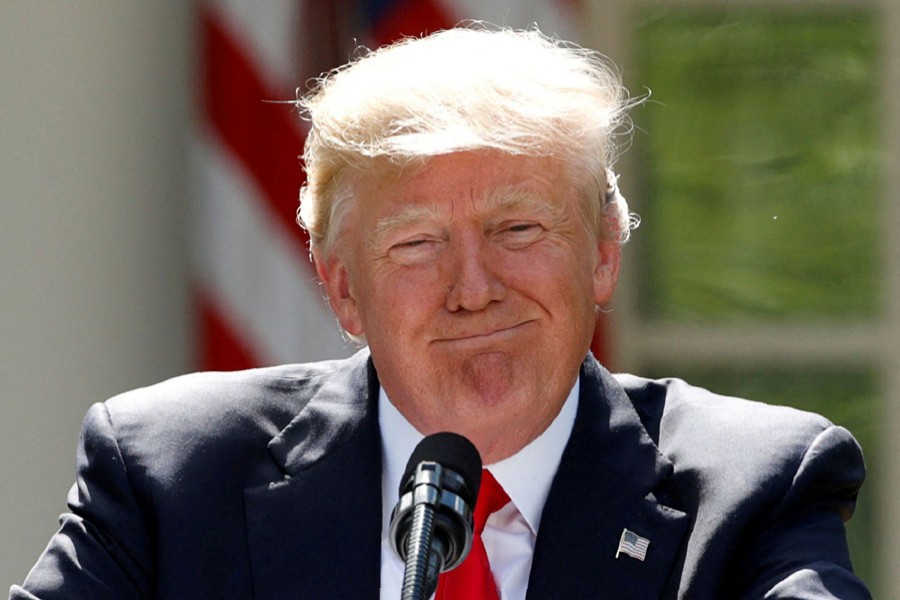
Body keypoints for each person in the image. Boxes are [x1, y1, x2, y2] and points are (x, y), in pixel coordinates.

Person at [11, 24, 870, 599]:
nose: (473, 286)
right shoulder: (172, 476)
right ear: (343, 287)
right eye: (417, 244)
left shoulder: (753, 487)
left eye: (519, 228)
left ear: (603, 253)